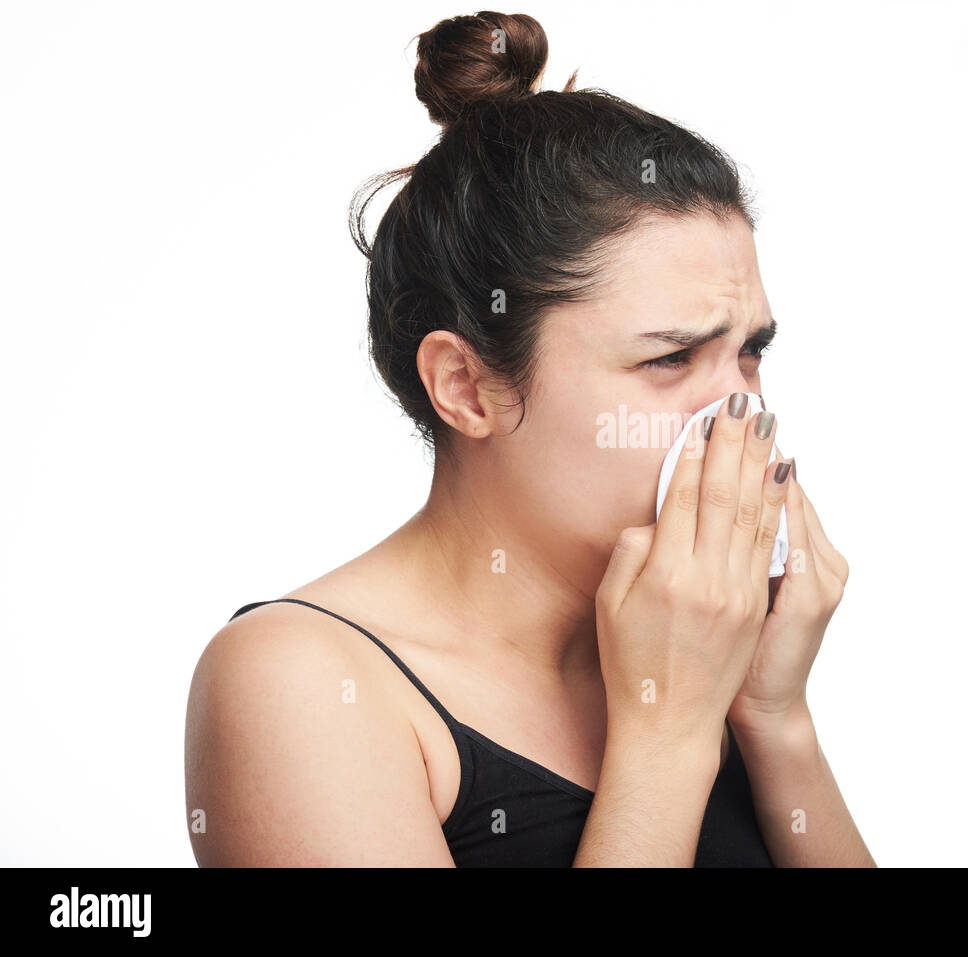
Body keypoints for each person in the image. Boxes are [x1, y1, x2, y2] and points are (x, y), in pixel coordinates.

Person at [184, 10, 875, 867]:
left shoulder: (697, 643)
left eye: (751, 352)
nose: (737, 414)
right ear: (467, 388)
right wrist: (667, 734)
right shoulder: (298, 681)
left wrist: (775, 719)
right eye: (669, 358)